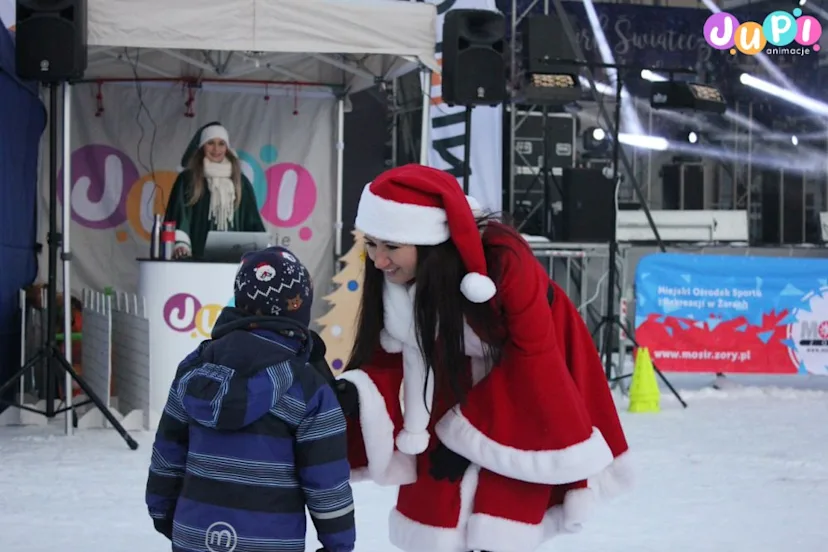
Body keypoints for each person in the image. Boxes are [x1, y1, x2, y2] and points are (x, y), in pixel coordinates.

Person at [332, 164, 632, 552]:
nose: (378, 260)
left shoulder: (506, 262)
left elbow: (533, 361)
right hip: (450, 373)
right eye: (371, 243)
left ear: (427, 243)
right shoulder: (393, 277)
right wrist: (358, 393)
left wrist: (465, 444)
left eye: (390, 247)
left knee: (504, 501)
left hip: (528, 381)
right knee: (436, 498)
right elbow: (385, 354)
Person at [145, 246, 356, 552]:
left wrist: (164, 513)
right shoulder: (310, 389)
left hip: (195, 536)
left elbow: (167, 453)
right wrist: (339, 544)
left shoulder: (195, 367)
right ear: (299, 308)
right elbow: (327, 483)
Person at [164, 122, 266, 259]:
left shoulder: (240, 181)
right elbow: (180, 214)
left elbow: (252, 219)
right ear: (202, 147)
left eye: (221, 143)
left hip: (233, 260)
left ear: (227, 147)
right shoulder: (188, 179)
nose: (216, 149)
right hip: (196, 258)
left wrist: (260, 246)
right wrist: (181, 244)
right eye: (210, 143)